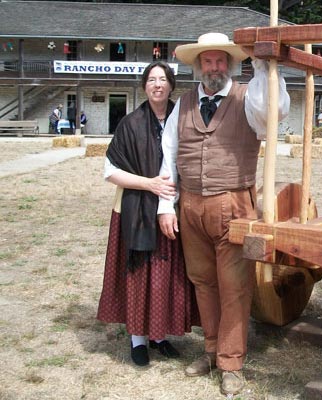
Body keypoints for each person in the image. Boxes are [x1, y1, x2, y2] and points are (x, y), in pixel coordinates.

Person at [157, 32, 290, 395]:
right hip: (190, 205)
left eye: (220, 61)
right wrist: (165, 205)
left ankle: (232, 362)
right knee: (203, 282)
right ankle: (212, 351)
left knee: (234, 287)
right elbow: (167, 156)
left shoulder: (249, 98)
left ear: (229, 65)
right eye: (207, 61)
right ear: (198, 66)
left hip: (233, 204)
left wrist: (264, 68)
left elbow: (273, 112)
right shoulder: (182, 104)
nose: (213, 67)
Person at [97, 61, 200, 367]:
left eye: (163, 80)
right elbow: (110, 172)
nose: (157, 85)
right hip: (135, 213)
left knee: (164, 275)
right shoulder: (130, 123)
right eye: (152, 80)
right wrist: (150, 184)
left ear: (171, 85)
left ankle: (159, 335)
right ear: (145, 86)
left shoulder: (183, 120)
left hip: (172, 210)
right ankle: (138, 339)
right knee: (140, 273)